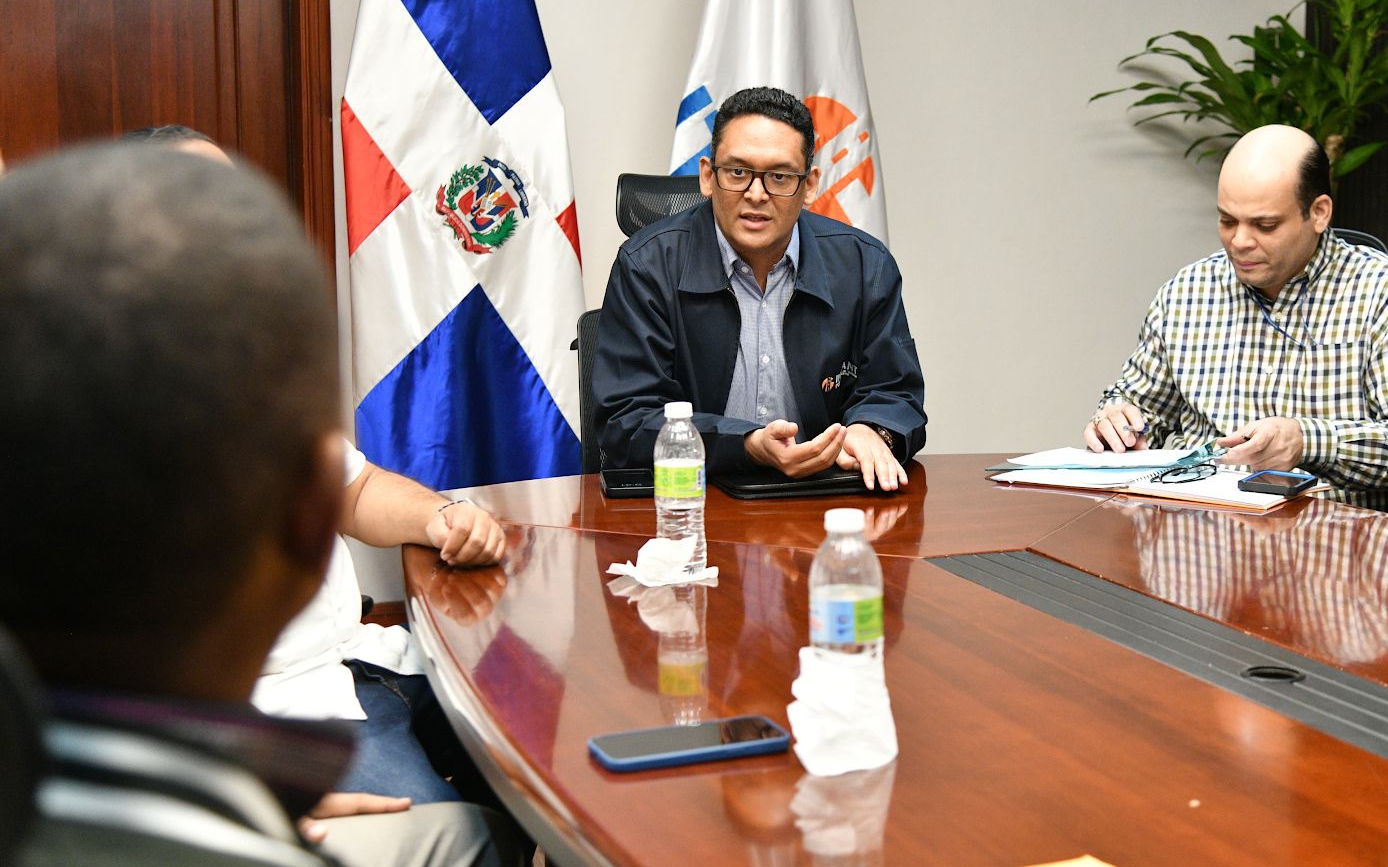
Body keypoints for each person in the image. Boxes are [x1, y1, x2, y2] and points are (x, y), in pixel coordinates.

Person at [0, 143, 519, 866]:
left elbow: (358, 487)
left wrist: (438, 518)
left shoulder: (220, 374)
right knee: (473, 832)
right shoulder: (103, 392)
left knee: (532, 736)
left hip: (365, 664)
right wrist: (243, 787)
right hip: (270, 718)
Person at [1083, 124, 1388, 519]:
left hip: (1340, 551)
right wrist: (1118, 418)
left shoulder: (1386, 294)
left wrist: (1308, 441)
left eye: (1264, 225)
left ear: (1318, 213)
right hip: (1198, 547)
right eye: (1227, 221)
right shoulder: (1186, 292)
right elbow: (1139, 403)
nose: (1240, 242)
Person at [594, 87, 926, 491]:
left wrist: (872, 429)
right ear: (706, 176)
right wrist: (746, 444)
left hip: (822, 502)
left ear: (809, 186)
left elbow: (895, 392)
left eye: (780, 176)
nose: (756, 194)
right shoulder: (647, 266)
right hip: (693, 506)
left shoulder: (864, 266)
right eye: (737, 172)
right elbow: (627, 420)